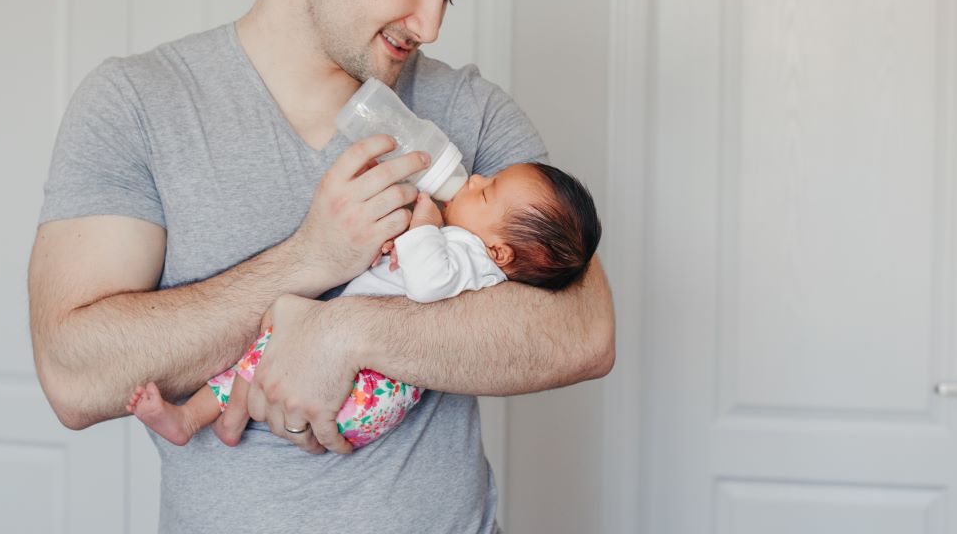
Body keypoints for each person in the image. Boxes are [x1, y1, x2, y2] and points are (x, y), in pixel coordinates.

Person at [27, 0, 615, 533]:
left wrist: (345, 334)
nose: (429, 25)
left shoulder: (469, 111)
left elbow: (585, 331)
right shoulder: (139, 104)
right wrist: (307, 259)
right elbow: (74, 377)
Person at [126, 161, 602, 450]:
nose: (475, 177)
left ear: (500, 252)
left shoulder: (472, 256)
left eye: (487, 191)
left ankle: (191, 418)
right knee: (276, 331)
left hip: (369, 392)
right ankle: (222, 418)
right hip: (366, 397)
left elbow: (430, 281)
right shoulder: (476, 257)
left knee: (271, 338)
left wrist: (424, 222)